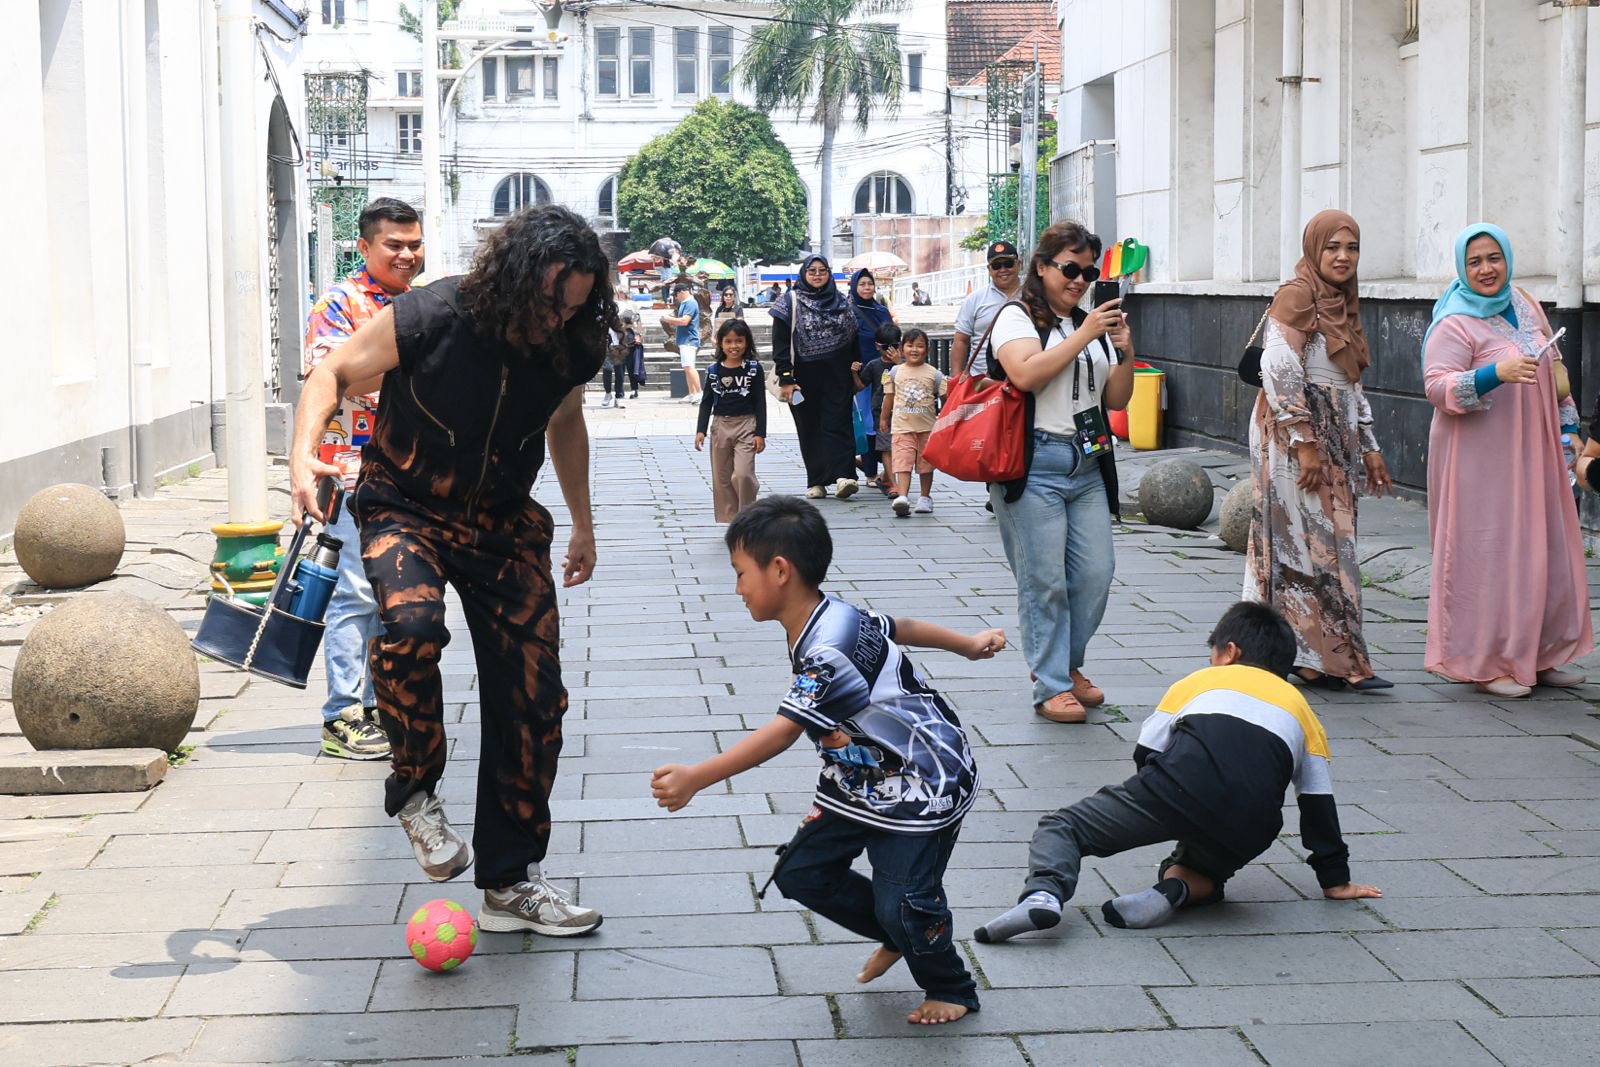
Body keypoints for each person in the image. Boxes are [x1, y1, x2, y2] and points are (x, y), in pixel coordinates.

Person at [288, 204, 610, 938]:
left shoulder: (574, 342)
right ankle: (415, 789)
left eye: (575, 307)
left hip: (502, 520)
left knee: (534, 695)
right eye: (551, 303)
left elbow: (565, 421)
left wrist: (583, 522)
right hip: (405, 501)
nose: (559, 320)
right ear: (517, 279)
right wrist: (303, 454)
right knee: (410, 624)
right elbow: (332, 371)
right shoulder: (432, 314)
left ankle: (510, 882)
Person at [650, 496, 1006, 1025]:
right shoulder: (829, 614)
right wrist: (967, 645)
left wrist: (698, 776)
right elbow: (900, 625)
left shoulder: (827, 651)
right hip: (861, 774)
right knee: (801, 873)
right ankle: (900, 934)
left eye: (740, 573)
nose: (737, 587)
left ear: (779, 571)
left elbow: (782, 733)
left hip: (922, 782)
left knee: (905, 900)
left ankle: (949, 985)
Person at [974, 601, 1381, 943]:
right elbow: (1317, 801)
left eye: (1212, 655)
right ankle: (1172, 890)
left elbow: (1147, 751)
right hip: (1254, 822)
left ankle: (1043, 897)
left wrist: (1159, 809)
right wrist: (1335, 878)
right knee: (1204, 870)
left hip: (1174, 791)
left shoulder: (1200, 682)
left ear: (1230, 652)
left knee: (1063, 827)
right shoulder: (1303, 711)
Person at [1421, 224, 1592, 698]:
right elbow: (1435, 385)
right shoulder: (1454, 321)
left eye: (1493, 258)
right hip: (1480, 459)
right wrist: (1494, 373)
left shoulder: (1525, 303)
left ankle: (1538, 654)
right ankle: (1487, 663)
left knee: (1543, 545)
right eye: (1474, 261)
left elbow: (1554, 368)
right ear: (1462, 268)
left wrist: (1569, 427)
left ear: (1508, 259)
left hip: (1536, 449)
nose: (1486, 269)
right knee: (1490, 551)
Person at [987, 220, 1136, 723]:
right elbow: (1025, 374)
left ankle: (1066, 667)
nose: (1080, 281)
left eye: (1088, 272)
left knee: (1096, 573)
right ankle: (1051, 683)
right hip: (1033, 463)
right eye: (1071, 269)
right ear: (1042, 266)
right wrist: (1086, 334)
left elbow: (1117, 399)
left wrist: (1124, 349)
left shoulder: (1089, 322)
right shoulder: (1016, 317)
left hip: (1087, 459)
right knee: (1044, 580)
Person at [1246, 209, 1394, 693]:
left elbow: (1350, 383)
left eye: (1352, 248)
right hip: (1294, 439)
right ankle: (1311, 658)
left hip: (1336, 437)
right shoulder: (1298, 294)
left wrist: (1369, 446)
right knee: (1302, 544)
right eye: (1332, 247)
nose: (1343, 257)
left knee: (1331, 544)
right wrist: (1304, 443)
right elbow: (1279, 368)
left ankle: (1324, 657)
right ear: (1314, 249)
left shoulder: (1343, 302)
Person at [302, 196, 423, 761]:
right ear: (365, 245)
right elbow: (331, 376)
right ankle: (342, 713)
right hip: (352, 470)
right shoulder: (340, 302)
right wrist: (408, 362)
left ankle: (377, 705)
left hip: (409, 473)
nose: (406, 254)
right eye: (393, 244)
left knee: (387, 594)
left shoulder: (418, 303)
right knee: (353, 591)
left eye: (414, 244)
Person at [772, 255, 861, 500]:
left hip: (837, 375)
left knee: (839, 424)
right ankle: (817, 480)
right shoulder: (788, 301)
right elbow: (780, 343)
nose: (817, 275)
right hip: (802, 378)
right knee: (809, 427)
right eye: (812, 270)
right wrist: (786, 377)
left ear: (829, 274)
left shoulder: (841, 302)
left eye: (822, 270)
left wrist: (857, 371)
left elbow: (853, 339)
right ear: (804, 273)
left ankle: (845, 476)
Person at [695, 319, 768, 522]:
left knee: (743, 474)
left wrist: (760, 433)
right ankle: (731, 519)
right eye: (728, 341)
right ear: (720, 343)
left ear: (747, 342)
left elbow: (760, 402)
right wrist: (701, 430)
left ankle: (747, 513)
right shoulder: (713, 371)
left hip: (747, 425)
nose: (734, 346)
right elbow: (706, 402)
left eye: (739, 341)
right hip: (720, 426)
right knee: (722, 477)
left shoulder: (754, 369)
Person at [881, 328, 947, 517]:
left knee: (926, 464)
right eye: (910, 345)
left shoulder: (935, 374)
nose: (914, 350)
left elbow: (946, 398)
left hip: (927, 428)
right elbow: (888, 397)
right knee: (902, 462)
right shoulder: (895, 372)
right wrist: (883, 418)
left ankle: (925, 497)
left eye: (920, 346)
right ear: (902, 349)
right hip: (902, 427)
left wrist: (946, 422)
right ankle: (902, 496)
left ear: (927, 350)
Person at [952, 241, 1023, 378]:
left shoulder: (1033, 295)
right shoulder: (974, 299)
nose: (1003, 269)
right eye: (996, 266)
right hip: (981, 380)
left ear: (1018, 264)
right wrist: (956, 381)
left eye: (1008, 263)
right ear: (989, 269)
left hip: (1025, 379)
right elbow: (961, 340)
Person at [853, 322, 902, 494]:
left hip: (903, 412)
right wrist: (854, 373)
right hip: (881, 413)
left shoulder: (905, 365)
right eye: (886, 347)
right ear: (877, 346)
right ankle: (892, 483)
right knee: (886, 448)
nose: (890, 351)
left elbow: (909, 379)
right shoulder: (874, 365)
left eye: (895, 346)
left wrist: (899, 363)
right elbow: (860, 386)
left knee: (901, 448)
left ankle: (886, 477)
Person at [660, 280, 704, 404]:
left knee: (690, 367)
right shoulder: (685, 303)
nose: (676, 297)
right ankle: (692, 393)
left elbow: (685, 321)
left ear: (682, 292)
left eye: (676, 294)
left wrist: (669, 319)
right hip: (684, 339)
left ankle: (699, 392)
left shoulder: (690, 303)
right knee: (686, 367)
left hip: (689, 339)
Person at [599, 323, 628, 409]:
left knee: (619, 375)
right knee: (607, 373)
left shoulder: (620, 326)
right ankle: (608, 393)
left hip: (619, 350)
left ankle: (618, 397)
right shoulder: (605, 325)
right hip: (608, 350)